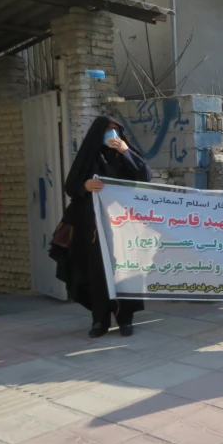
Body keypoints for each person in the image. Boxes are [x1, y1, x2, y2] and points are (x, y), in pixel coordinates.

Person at [53, 116, 153, 338]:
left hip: (124, 227)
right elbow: (71, 186)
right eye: (108, 130)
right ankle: (100, 320)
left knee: (125, 271)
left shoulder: (126, 155)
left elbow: (145, 176)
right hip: (94, 229)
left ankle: (125, 319)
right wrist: (85, 186)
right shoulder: (89, 158)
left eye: (116, 130)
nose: (112, 135)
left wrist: (126, 152)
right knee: (97, 273)